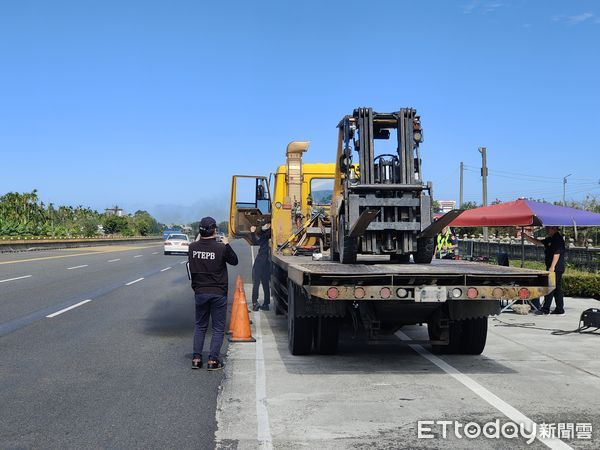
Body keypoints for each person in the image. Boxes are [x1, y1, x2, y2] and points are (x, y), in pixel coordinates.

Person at [188, 216, 238, 370]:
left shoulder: (192, 247)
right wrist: (227, 244)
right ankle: (213, 360)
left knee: (200, 326)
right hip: (218, 293)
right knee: (217, 328)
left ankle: (196, 358)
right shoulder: (221, 248)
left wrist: (198, 241)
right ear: (215, 230)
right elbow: (234, 261)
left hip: (200, 292)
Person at [522, 226, 566, 315]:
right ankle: (560, 309)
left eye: (548, 228)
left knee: (549, 287)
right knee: (557, 288)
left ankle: (545, 309)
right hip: (552, 266)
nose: (546, 230)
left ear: (553, 228)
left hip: (556, 267)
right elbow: (538, 242)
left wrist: (552, 267)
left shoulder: (558, 239)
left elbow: (557, 253)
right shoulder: (550, 239)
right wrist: (526, 236)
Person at [250, 220, 272, 311]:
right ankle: (266, 304)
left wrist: (252, 232)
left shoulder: (266, 234)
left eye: (266, 224)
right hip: (267, 261)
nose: (264, 226)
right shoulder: (269, 234)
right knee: (265, 282)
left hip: (261, 260)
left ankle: (255, 302)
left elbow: (256, 242)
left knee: (256, 282)